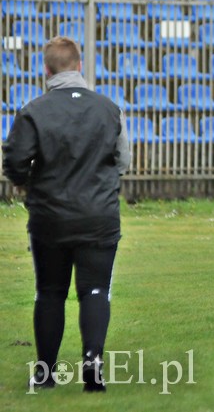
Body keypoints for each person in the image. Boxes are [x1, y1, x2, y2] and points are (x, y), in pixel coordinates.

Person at [2, 37, 131, 392]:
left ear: (46, 70)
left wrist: (28, 185)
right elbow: (124, 162)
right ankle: (92, 361)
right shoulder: (109, 109)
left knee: (50, 292)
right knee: (94, 290)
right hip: (99, 215)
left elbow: (13, 162)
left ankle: (45, 373)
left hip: (50, 216)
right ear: (79, 66)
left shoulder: (33, 111)